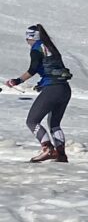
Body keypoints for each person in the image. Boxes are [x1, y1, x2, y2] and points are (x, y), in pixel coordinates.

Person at [9, 24, 74, 163]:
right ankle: (61, 154)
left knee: (32, 121)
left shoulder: (37, 48)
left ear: (31, 37)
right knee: (55, 123)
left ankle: (48, 150)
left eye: (27, 39)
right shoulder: (51, 47)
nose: (27, 42)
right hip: (64, 89)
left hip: (52, 89)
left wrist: (17, 80)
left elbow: (32, 69)